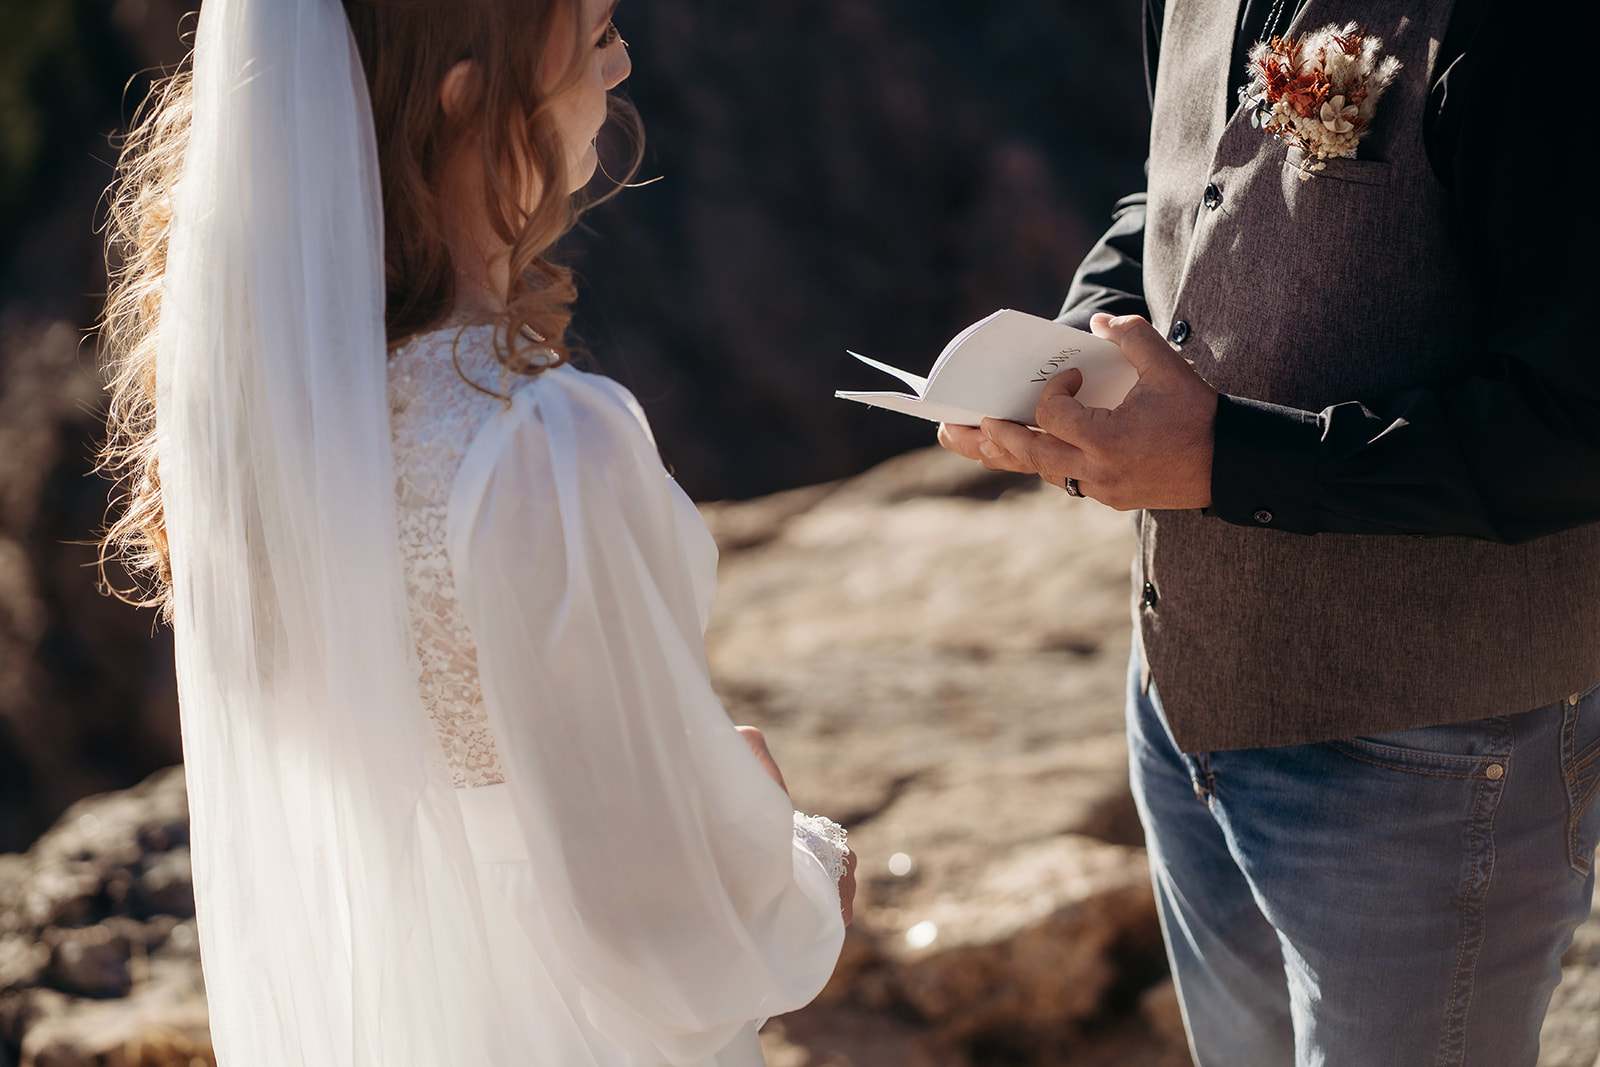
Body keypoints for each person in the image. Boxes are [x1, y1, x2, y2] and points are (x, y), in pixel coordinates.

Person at [97, 0, 854, 1064]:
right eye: (595, 36)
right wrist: (799, 864)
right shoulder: (537, 443)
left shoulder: (252, 421)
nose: (625, 61)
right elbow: (665, 935)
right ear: (471, 99)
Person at [940, 0, 1600, 1063]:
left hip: (1428, 752)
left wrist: (1226, 460)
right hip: (1180, 694)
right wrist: (1072, 353)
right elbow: (1179, 183)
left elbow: (1576, 417)